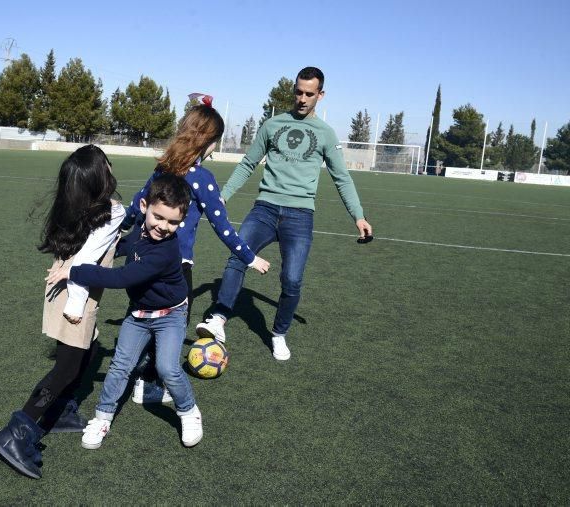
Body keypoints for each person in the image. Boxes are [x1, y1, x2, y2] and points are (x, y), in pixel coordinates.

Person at [196, 67, 373, 360]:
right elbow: (247, 164)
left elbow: (342, 177)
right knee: (237, 256)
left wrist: (358, 216)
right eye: (298, 92)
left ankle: (278, 333)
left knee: (292, 279)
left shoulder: (326, 134)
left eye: (309, 94)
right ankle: (219, 318)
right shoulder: (272, 125)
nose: (302, 99)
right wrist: (223, 196)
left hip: (300, 215)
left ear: (320, 95)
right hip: (264, 209)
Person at [0, 145, 124, 479]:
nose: (110, 166)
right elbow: (85, 261)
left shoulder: (77, 210)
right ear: (98, 179)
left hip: (60, 291)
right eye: (106, 165)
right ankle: (17, 432)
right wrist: (77, 308)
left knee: (88, 353)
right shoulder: (113, 211)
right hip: (75, 296)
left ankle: (60, 409)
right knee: (64, 370)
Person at [120, 100, 271, 403]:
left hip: (139, 262)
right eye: (215, 140)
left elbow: (134, 212)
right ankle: (147, 386)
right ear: (207, 141)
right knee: (169, 328)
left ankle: (131, 379)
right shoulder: (203, 179)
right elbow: (224, 228)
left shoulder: (161, 171)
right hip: (174, 268)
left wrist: (107, 227)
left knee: (140, 320)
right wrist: (250, 257)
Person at [46, 173, 203, 449]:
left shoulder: (164, 252)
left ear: (182, 221)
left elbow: (121, 279)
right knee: (120, 367)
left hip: (170, 315)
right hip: (140, 313)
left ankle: (188, 410)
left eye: (173, 222)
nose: (164, 226)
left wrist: (75, 270)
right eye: (159, 217)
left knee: (167, 368)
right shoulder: (141, 234)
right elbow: (121, 246)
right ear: (144, 207)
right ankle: (102, 417)